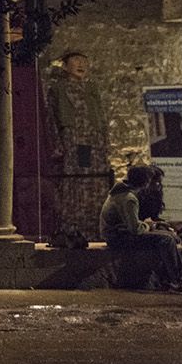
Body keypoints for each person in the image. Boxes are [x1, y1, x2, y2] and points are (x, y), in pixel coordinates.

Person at [100, 165, 182, 295]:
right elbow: (135, 229)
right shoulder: (129, 199)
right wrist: (149, 225)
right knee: (166, 240)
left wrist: (150, 225)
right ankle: (178, 281)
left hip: (117, 234)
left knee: (167, 236)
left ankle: (171, 280)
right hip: (118, 238)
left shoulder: (121, 192)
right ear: (145, 182)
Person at [46, 51, 110, 240]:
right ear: (66, 66)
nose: (81, 64)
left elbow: (101, 116)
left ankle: (96, 225)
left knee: (94, 181)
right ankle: (75, 227)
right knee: (77, 182)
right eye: (76, 61)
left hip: (93, 142)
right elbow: (51, 118)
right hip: (74, 141)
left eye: (84, 61)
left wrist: (105, 141)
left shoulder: (92, 88)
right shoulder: (58, 89)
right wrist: (57, 144)